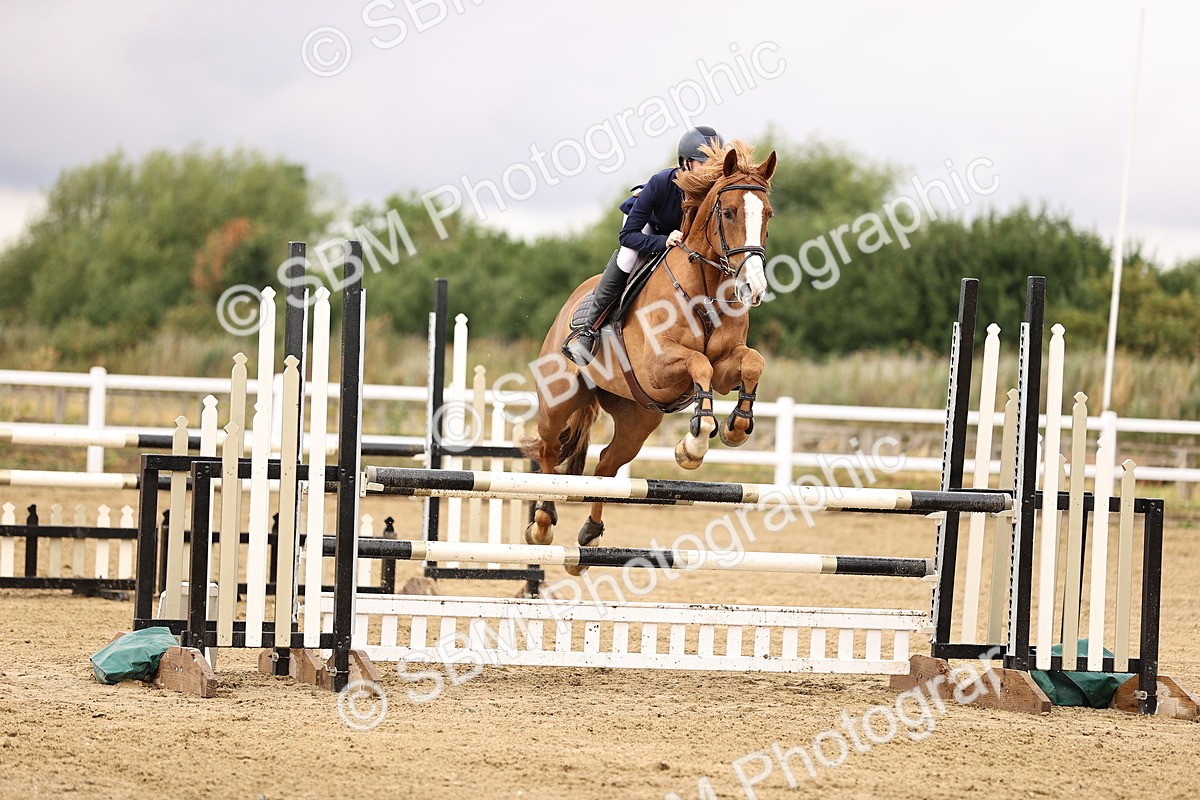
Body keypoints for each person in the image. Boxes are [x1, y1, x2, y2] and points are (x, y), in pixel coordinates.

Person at [564, 125, 726, 365]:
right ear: (685, 162)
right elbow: (627, 235)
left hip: (680, 238)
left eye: (715, 163)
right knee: (628, 257)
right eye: (704, 162)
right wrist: (663, 241)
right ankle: (588, 331)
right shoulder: (661, 183)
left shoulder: (714, 191)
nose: (710, 170)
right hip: (645, 226)